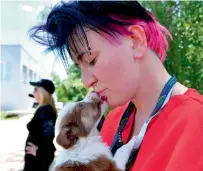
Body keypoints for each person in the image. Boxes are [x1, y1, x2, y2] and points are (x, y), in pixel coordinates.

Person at [29, 1, 203, 171]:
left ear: (136, 41)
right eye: (80, 67)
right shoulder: (114, 119)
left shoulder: (196, 122)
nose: (86, 81)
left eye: (91, 60)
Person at [23, 79, 57, 171]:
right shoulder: (44, 109)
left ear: (43, 92)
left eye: (35, 90)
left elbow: (49, 135)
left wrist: (38, 150)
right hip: (36, 159)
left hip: (38, 160)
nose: (33, 92)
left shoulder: (46, 110)